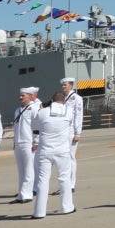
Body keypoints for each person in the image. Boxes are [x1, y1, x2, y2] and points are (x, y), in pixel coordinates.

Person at [31, 87, 79, 218]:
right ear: (63, 101)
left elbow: (34, 128)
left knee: (42, 181)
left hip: (45, 151)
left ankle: (39, 212)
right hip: (62, 151)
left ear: (51, 100)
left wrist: (42, 108)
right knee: (64, 179)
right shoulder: (68, 112)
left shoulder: (42, 112)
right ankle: (67, 207)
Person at [12, 87, 41, 204]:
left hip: (29, 142)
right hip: (19, 143)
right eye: (20, 95)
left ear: (29, 96)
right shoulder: (17, 110)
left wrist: (36, 141)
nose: (20, 97)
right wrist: (14, 142)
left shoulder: (34, 109)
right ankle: (21, 193)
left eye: (23, 95)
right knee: (21, 170)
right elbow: (15, 128)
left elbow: (37, 127)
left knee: (29, 169)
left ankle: (27, 194)